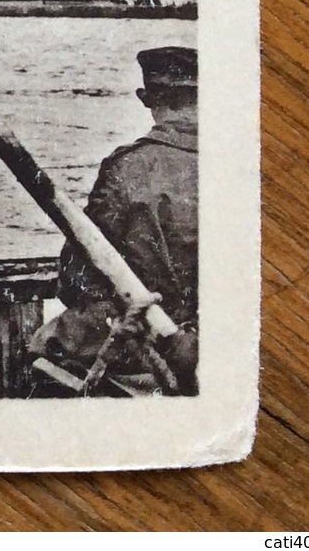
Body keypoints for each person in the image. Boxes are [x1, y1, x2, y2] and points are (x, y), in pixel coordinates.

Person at [29, 45, 199, 395]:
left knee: (42, 348)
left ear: (145, 97)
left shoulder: (127, 168)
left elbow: (75, 277)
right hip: (216, 345)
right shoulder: (244, 162)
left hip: (148, 348)